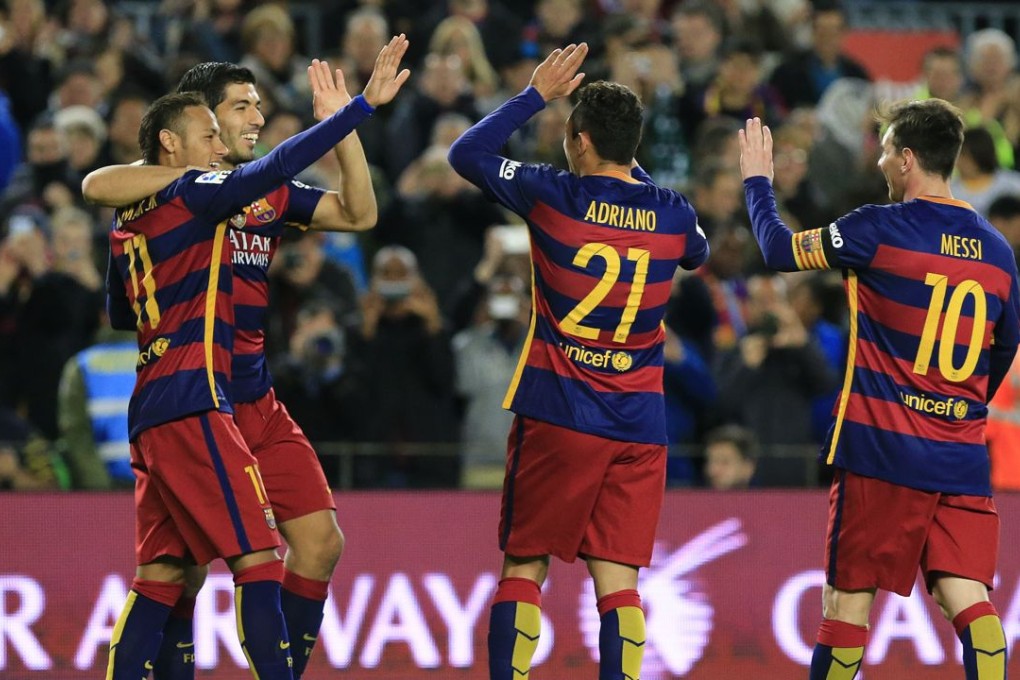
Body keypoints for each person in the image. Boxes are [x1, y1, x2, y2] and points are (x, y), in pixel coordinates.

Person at [88, 36, 410, 680]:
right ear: (199, 120)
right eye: (239, 107)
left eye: (258, 105)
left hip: (250, 399)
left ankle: (280, 665)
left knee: (317, 545)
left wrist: (339, 123)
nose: (256, 118)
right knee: (189, 571)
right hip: (197, 397)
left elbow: (360, 213)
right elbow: (101, 186)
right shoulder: (182, 193)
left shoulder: (264, 194)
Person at [448, 43, 709, 680]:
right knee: (619, 583)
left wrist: (535, 93)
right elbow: (697, 254)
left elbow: (466, 154)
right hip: (640, 424)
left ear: (579, 140)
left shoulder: (552, 194)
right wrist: (632, 168)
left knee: (525, 565)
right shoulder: (673, 213)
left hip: (559, 411)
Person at [739, 98, 1019, 680]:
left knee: (846, 605)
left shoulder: (878, 228)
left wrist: (759, 185)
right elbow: (1005, 348)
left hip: (881, 449)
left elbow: (779, 250)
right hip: (960, 453)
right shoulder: (997, 250)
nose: (882, 162)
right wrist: (956, 407)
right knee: (969, 599)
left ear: (908, 159)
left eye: (887, 150)